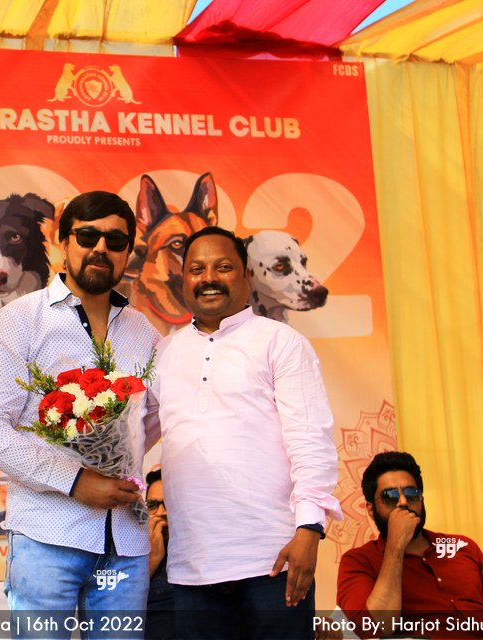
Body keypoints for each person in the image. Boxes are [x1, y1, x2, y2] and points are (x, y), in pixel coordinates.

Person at [0, 190, 161, 638]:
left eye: (116, 241)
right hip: (47, 533)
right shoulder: (21, 320)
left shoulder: (143, 331)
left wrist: (115, 462)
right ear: (63, 241)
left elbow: (151, 421)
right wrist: (75, 479)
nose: (101, 248)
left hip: (125, 541)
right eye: (88, 236)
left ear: (128, 252)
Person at [146, 226, 341, 639]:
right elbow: (132, 438)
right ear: (183, 279)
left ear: (247, 276)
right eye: (196, 269)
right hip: (192, 568)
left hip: (273, 560)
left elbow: (310, 441)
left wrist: (310, 528)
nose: (209, 278)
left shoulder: (280, 342)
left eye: (223, 267)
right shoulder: (164, 353)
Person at [336, 450, 483, 639]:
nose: (403, 502)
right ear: (371, 510)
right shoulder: (358, 561)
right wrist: (396, 547)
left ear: (421, 500)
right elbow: (374, 628)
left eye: (412, 493)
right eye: (390, 496)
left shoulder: (462, 546)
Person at [143, 468, 174, 640]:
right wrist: (152, 560)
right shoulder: (129, 550)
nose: (161, 512)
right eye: (153, 505)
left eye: (169, 503)